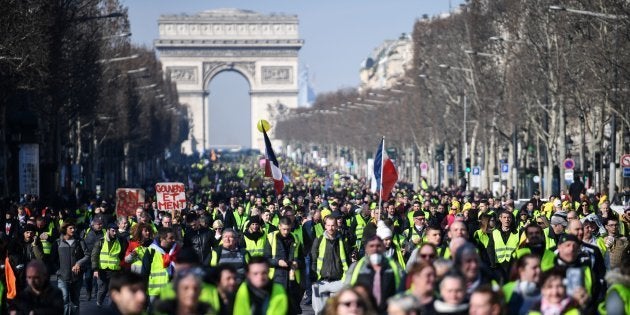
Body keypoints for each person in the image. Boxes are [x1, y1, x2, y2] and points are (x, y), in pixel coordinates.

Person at [345, 235, 403, 313]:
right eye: (371, 246)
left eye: (378, 246)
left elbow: (403, 288)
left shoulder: (394, 266)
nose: (375, 249)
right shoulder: (356, 267)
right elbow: (347, 290)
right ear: (366, 249)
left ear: (383, 248)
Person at [264, 216, 304, 314]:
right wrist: (278, 262)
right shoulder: (271, 238)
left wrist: (297, 264)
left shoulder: (296, 238)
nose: (286, 232)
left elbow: (302, 260)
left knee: (292, 310)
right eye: (284, 229)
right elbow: (266, 259)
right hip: (275, 279)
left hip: (292, 281)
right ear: (279, 227)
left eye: (288, 229)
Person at [311, 215, 350, 313]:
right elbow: (314, 260)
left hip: (338, 282)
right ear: (325, 226)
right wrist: (313, 278)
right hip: (321, 281)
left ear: (336, 226)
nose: (330, 228)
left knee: (337, 311)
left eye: (333, 225)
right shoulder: (319, 240)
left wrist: (345, 280)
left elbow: (347, 260)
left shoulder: (343, 240)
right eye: (328, 225)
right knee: (319, 311)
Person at [52, 220, 89, 315]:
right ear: (64, 229)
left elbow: (87, 255)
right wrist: (58, 271)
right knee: (64, 300)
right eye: (70, 228)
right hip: (62, 277)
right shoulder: (57, 242)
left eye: (74, 228)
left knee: (75, 301)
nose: (73, 230)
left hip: (77, 277)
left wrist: (79, 263)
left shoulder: (79, 241)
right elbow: (53, 259)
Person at [91, 222, 127, 307]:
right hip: (102, 270)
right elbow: (94, 255)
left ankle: (111, 307)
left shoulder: (120, 242)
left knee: (113, 290)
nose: (115, 233)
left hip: (115, 270)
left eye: (116, 231)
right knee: (102, 289)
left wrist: (120, 265)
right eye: (113, 231)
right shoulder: (101, 241)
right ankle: (99, 301)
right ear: (108, 231)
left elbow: (122, 255)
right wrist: (95, 269)